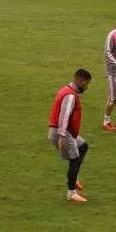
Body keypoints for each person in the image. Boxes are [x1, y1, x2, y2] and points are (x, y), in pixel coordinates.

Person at [48, 69, 92, 202]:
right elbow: (64, 116)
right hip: (62, 131)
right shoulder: (70, 95)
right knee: (74, 159)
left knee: (83, 146)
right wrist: (62, 137)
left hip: (63, 131)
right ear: (81, 81)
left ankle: (74, 177)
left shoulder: (66, 90)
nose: (86, 87)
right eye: (86, 84)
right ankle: (71, 193)